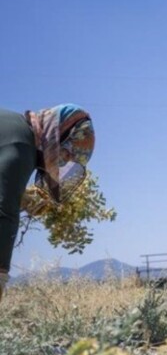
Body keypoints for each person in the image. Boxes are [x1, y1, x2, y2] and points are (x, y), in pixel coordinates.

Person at [0, 104, 95, 301]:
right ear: (57, 134)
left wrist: (20, 196)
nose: (60, 164)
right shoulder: (22, 144)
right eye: (66, 155)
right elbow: (4, 214)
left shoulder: (15, 130)